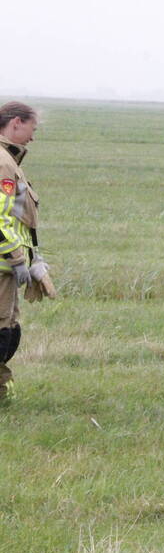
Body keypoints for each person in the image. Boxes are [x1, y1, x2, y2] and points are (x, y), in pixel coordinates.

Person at [0, 102, 50, 403]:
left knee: (9, 332)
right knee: (3, 334)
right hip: (3, 266)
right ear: (16, 123)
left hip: (6, 266)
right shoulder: (4, 164)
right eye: (32, 128)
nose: (32, 137)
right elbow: (0, 218)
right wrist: (17, 259)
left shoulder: (8, 160)